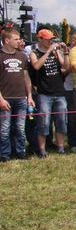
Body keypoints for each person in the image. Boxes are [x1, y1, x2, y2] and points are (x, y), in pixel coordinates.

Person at [30, 27, 70, 157]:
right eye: (47, 40)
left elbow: (65, 68)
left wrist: (65, 52)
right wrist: (48, 51)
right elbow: (36, 66)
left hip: (59, 92)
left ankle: (60, 147)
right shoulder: (34, 52)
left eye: (51, 40)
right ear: (40, 39)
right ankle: (42, 150)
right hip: (44, 93)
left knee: (61, 121)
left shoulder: (56, 52)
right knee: (43, 122)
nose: (50, 42)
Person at [0, 28, 35, 161]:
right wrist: (1, 99)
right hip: (5, 98)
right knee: (4, 128)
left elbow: (26, 77)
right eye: (16, 39)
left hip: (21, 98)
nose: (19, 41)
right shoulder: (1, 56)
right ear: (7, 40)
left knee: (20, 127)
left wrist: (29, 96)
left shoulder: (22, 56)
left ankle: (20, 151)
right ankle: (5, 154)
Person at [63, 32, 76, 151]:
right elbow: (65, 69)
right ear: (73, 40)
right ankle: (73, 142)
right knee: (73, 117)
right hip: (70, 88)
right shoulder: (66, 52)